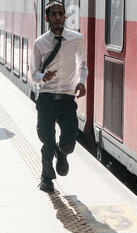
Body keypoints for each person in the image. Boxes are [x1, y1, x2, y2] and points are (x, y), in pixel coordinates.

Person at [31, 0, 88, 193]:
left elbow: (82, 65)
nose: (58, 17)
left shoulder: (76, 39)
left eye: (60, 14)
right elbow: (33, 73)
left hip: (66, 98)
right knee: (46, 141)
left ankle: (62, 153)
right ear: (47, 18)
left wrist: (82, 81)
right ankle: (46, 179)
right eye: (53, 14)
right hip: (46, 98)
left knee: (69, 144)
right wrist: (42, 77)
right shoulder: (40, 43)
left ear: (65, 16)